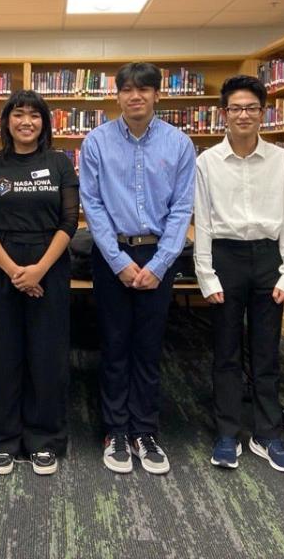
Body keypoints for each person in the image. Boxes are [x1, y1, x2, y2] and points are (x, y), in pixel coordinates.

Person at [79, 61, 196, 475]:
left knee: (147, 349)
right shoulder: (96, 141)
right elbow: (91, 204)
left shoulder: (180, 143)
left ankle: (145, 431)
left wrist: (162, 262)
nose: (135, 96)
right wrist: (118, 262)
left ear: (157, 95)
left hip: (159, 257)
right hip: (113, 256)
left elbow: (183, 207)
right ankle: (115, 431)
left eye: (144, 89)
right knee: (114, 347)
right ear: (117, 95)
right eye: (127, 89)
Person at [194, 75, 284, 473]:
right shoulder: (206, 162)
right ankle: (227, 432)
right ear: (223, 114)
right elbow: (202, 222)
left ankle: (268, 434)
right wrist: (206, 275)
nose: (243, 115)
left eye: (251, 108)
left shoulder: (282, 161)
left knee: (266, 351)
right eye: (236, 108)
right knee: (225, 352)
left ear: (263, 113)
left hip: (268, 257)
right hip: (225, 257)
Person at [0, 90, 79, 476]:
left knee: (46, 356)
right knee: (1, 354)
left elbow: (69, 223)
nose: (26, 122)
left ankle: (43, 438)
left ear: (45, 123)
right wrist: (17, 271)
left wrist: (38, 270)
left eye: (35, 115)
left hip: (49, 265)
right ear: (7, 121)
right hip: (1, 264)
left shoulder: (60, 164)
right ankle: (1, 439)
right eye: (18, 114)